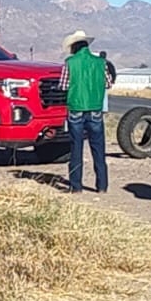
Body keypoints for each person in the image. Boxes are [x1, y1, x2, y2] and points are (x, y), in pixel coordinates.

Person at [59, 30, 112, 193]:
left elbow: (63, 85)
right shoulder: (100, 63)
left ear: (74, 46)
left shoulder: (70, 62)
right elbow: (108, 83)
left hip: (76, 108)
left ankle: (76, 186)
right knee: (98, 147)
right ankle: (101, 186)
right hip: (95, 108)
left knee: (76, 147)